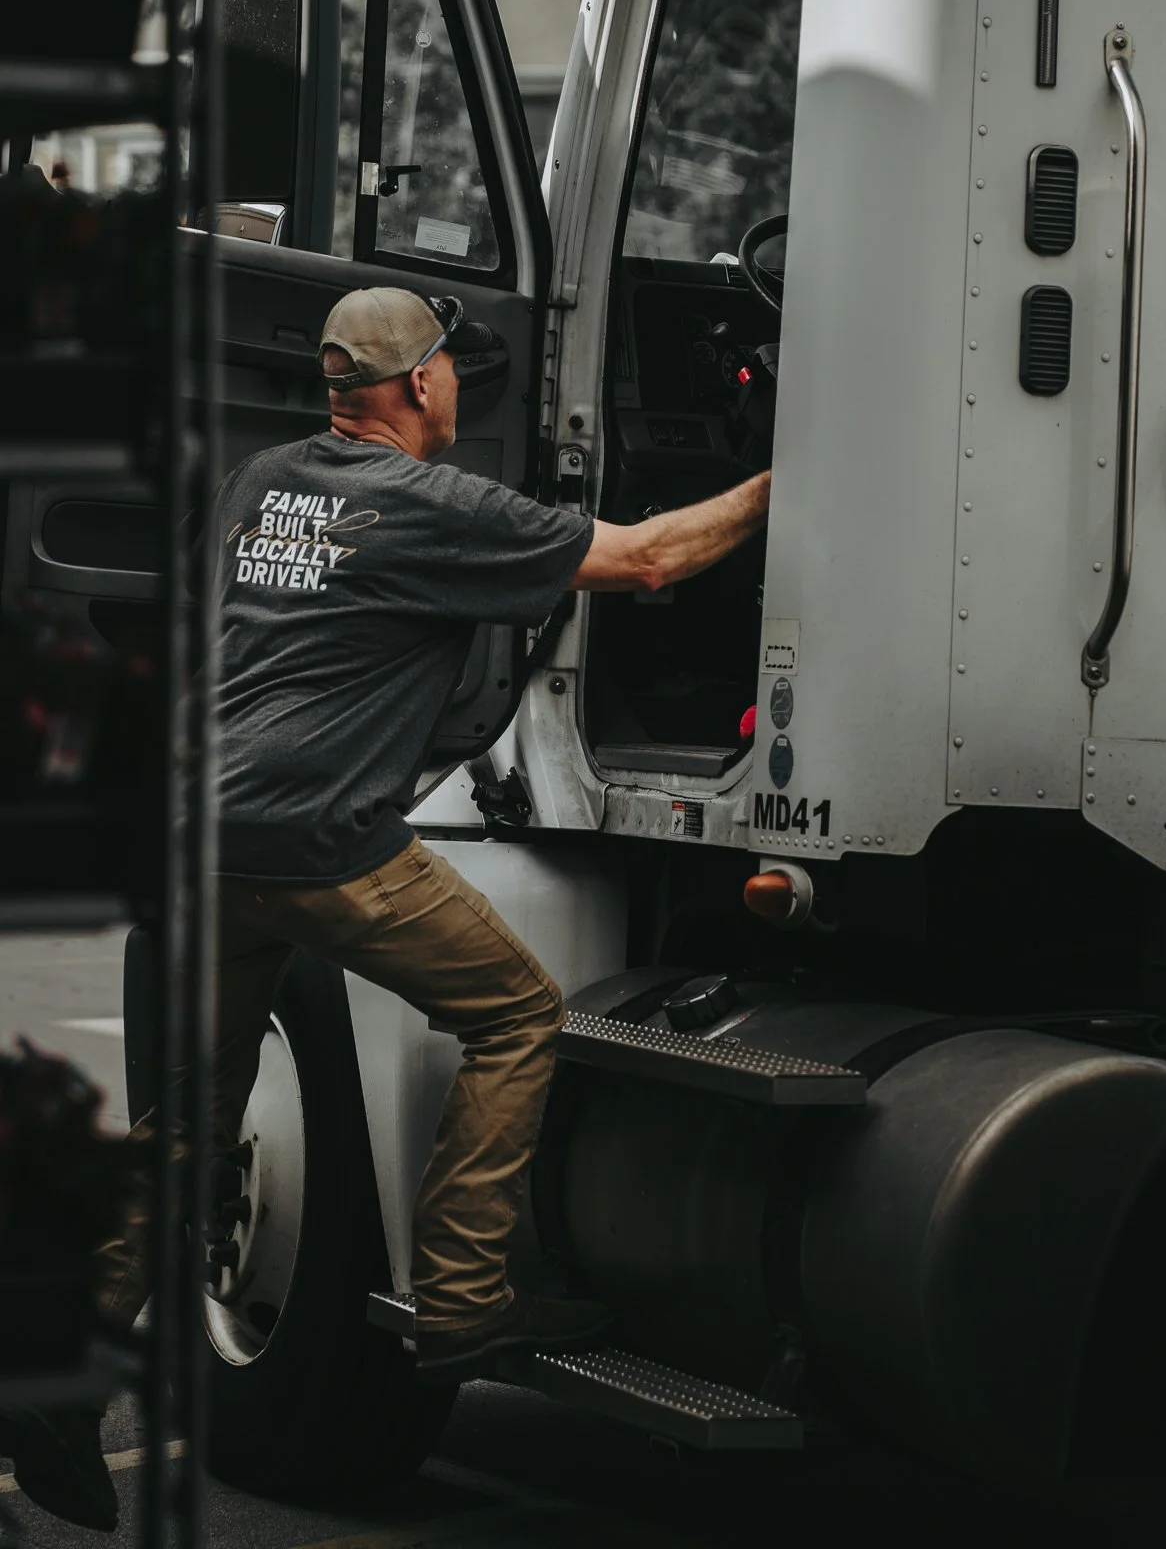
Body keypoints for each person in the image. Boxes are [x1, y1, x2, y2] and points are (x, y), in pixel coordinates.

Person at [0, 285, 771, 1530]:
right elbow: (649, 556)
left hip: (202, 836)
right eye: (453, 369)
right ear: (419, 387)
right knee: (518, 1012)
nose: (461, 385)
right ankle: (466, 1298)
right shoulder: (435, 507)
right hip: (321, 837)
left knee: (191, 1115)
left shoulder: (260, 483)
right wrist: (782, 476)